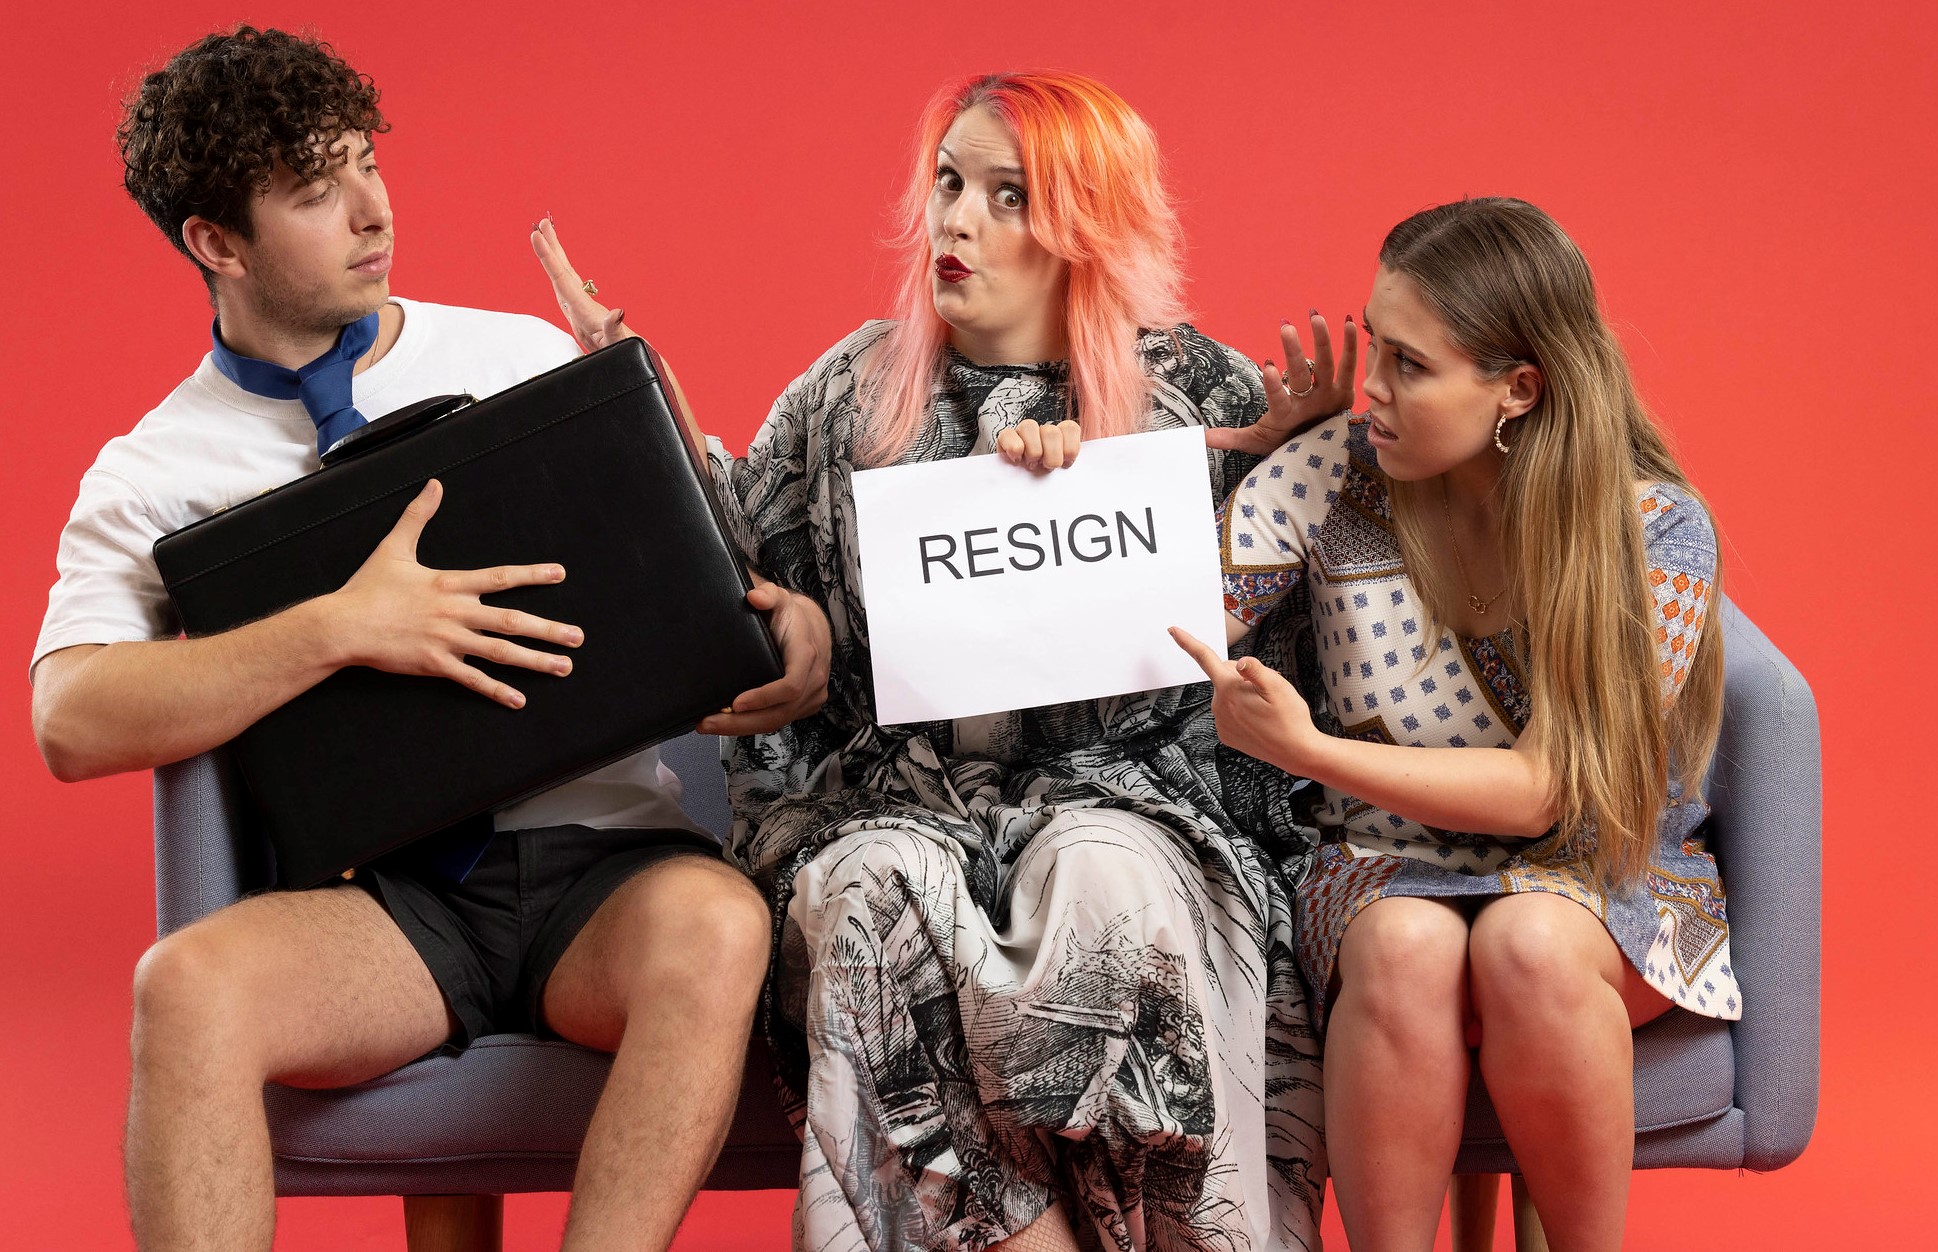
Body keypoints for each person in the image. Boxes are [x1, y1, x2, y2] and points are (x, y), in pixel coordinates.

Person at [29, 26, 832, 1252]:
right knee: (182, 987)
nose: (370, 212)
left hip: (605, 869)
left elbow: (716, 584)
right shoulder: (153, 472)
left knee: (718, 927)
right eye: (314, 191)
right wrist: (340, 627)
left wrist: (795, 631)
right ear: (215, 242)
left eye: (366, 165)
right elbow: (70, 723)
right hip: (389, 907)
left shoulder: (519, 359)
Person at [538, 72, 1357, 1252]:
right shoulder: (847, 394)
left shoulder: (1205, 396)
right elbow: (741, 578)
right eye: (948, 182)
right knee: (864, 895)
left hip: (1130, 795)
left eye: (1007, 196)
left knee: (1105, 877)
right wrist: (638, 410)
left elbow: (1295, 625)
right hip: (889, 795)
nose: (956, 220)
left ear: (1082, 221)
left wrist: (1299, 458)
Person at [1174, 196, 1734, 1252]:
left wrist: (1304, 748)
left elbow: (1548, 791)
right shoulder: (1332, 465)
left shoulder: (1650, 523)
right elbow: (1151, 621)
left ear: (1517, 389)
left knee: (1530, 943)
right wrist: (1234, 453)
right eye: (1373, 343)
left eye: (1410, 365)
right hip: (1384, 861)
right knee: (1405, 945)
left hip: (1601, 868)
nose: (1368, 387)